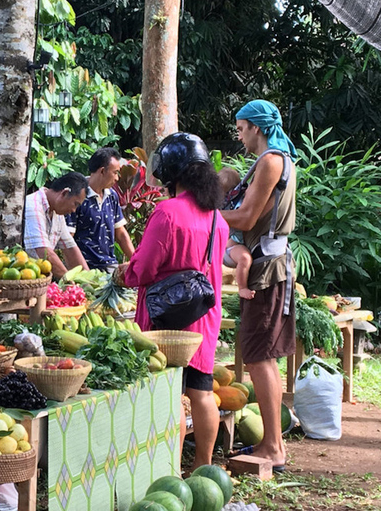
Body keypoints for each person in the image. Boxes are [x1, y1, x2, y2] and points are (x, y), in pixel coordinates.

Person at [122, 133, 229, 472]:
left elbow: (145, 267)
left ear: (171, 174)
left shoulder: (167, 212)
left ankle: (167, 470)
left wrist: (122, 275)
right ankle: (204, 468)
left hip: (168, 324)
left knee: (167, 396)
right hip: (203, 320)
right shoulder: (217, 218)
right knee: (201, 393)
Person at [220, 99, 297, 472]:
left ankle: (273, 447)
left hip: (268, 270)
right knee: (261, 355)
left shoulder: (271, 161)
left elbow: (248, 217)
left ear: (257, 127)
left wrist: (204, 215)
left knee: (258, 357)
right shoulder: (275, 160)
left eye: (240, 127)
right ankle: (272, 441)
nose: (239, 134)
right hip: (270, 266)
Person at [66, 147, 136, 272]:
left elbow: (120, 233)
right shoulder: (77, 196)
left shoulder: (112, 196)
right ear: (103, 171)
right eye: (115, 172)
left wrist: (137, 263)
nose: (117, 178)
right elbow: (67, 239)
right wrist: (83, 275)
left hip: (110, 266)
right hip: (83, 269)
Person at [24, 171, 89, 279]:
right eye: (75, 204)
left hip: (40, 280)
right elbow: (43, 251)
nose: (73, 210)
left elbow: (70, 248)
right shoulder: (33, 206)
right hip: (24, 281)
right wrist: (69, 282)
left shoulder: (57, 213)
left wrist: (89, 279)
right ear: (64, 193)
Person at [218, 167, 255, 299]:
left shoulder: (240, 202)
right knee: (245, 258)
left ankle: (242, 286)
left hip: (232, 246)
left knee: (245, 258)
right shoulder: (217, 204)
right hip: (226, 248)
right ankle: (242, 287)